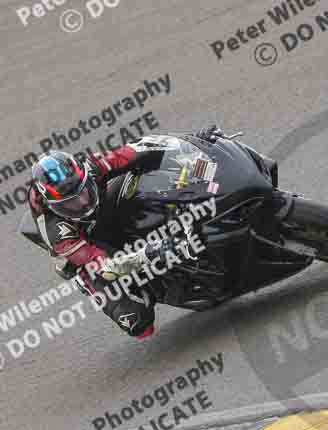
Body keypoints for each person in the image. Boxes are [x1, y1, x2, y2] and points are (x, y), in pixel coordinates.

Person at [26, 126, 224, 338]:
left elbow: (142, 146)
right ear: (54, 205)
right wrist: (149, 253)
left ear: (83, 175)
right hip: (90, 255)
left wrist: (193, 141)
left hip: (106, 207)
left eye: (83, 191)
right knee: (138, 323)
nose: (83, 202)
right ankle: (98, 282)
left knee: (147, 165)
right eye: (71, 203)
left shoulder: (91, 166)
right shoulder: (57, 232)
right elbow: (106, 266)